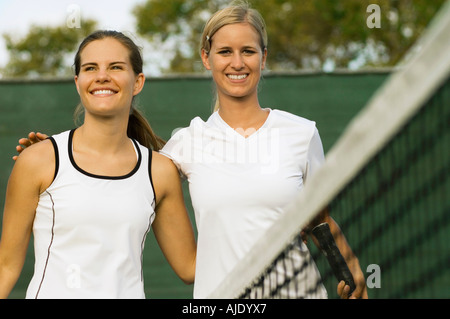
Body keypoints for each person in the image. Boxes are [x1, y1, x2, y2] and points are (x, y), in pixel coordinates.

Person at [12, 3, 367, 299]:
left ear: (264, 57)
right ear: (206, 58)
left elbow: (320, 220)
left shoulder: (302, 134)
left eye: (248, 51)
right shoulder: (185, 145)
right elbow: (115, 165)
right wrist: (51, 156)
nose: (237, 63)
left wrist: (352, 268)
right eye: (225, 51)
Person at [0, 30, 196, 299]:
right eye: (91, 68)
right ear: (78, 81)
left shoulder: (159, 171)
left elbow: (190, 268)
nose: (102, 76)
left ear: (137, 81)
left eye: (115, 67)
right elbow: (5, 268)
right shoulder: (38, 160)